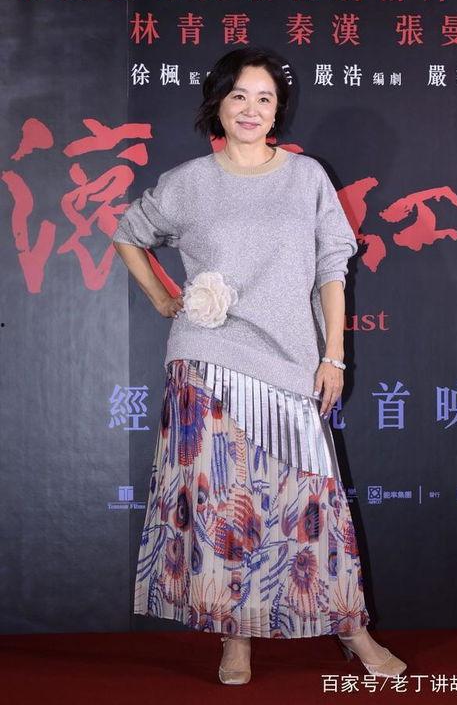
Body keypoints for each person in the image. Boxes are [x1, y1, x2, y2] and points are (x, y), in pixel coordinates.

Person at [112, 46, 407, 685]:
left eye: (265, 98)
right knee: (223, 504)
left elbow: (332, 266)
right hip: (207, 363)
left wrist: (333, 354)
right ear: (218, 104)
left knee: (311, 501)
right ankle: (235, 637)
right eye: (239, 95)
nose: (251, 109)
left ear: (279, 111)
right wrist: (163, 298)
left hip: (291, 363)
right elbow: (129, 233)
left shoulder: (307, 178)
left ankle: (351, 630)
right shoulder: (189, 181)